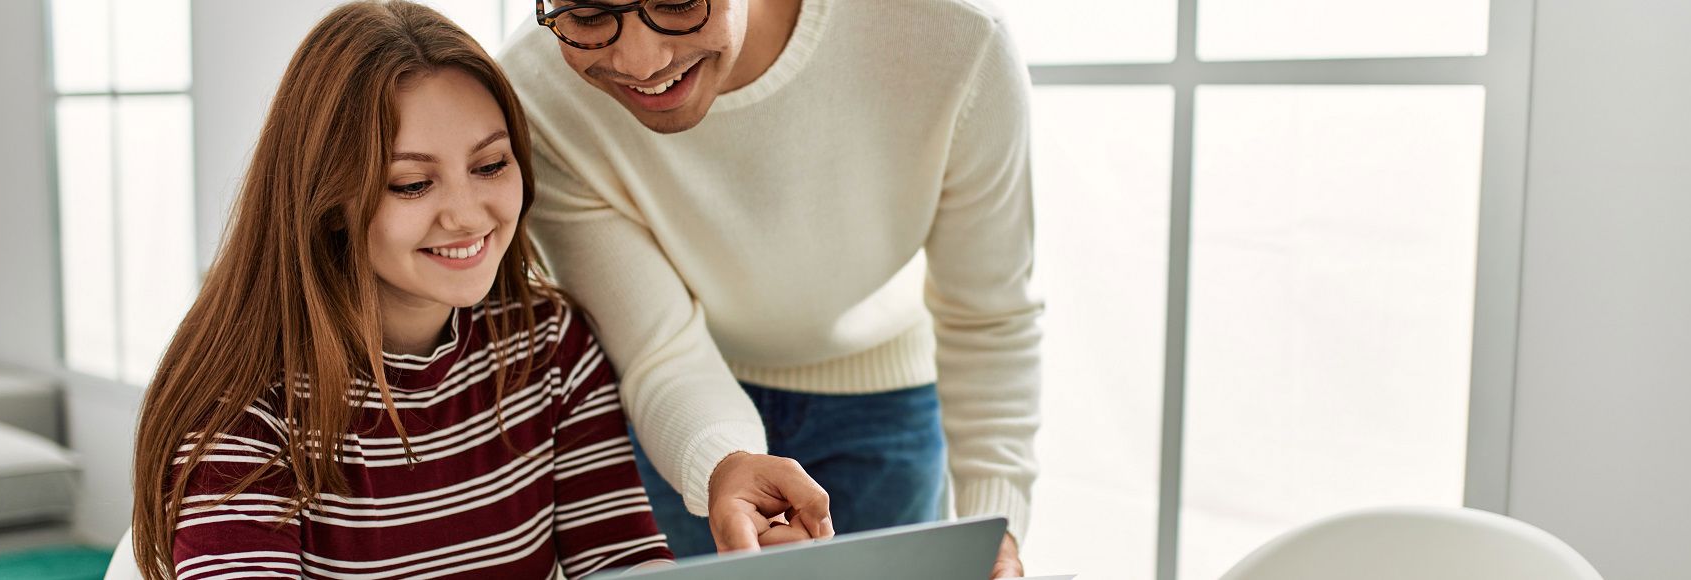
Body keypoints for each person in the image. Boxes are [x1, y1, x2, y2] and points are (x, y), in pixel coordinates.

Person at [127, 2, 672, 577]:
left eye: (490, 165)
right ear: (329, 201)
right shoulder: (245, 411)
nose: (466, 217)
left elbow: (622, 561)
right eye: (412, 184)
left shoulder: (549, 345)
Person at [499, 0, 1042, 575]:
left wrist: (996, 531)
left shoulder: (957, 37)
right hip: (673, 414)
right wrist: (722, 461)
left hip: (884, 404)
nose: (641, 61)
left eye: (678, 2)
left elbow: (988, 317)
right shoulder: (537, 93)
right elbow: (657, 349)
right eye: (587, 15)